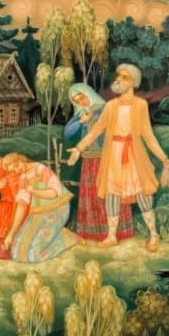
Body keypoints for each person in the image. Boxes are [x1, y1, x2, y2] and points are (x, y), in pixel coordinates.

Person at [64, 64, 169, 248]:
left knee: (142, 194)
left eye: (124, 77)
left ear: (133, 82)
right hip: (113, 157)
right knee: (112, 195)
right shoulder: (110, 106)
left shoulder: (140, 105)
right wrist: (78, 148)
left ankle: (154, 235)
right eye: (118, 76)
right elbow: (97, 129)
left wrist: (164, 159)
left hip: (134, 156)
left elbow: (148, 135)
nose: (118, 79)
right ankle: (111, 236)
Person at [63, 82, 131, 242]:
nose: (81, 102)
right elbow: (67, 133)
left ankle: (114, 233)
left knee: (109, 193)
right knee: (92, 194)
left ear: (88, 93)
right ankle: (93, 232)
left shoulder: (105, 108)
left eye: (82, 97)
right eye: (76, 101)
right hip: (89, 159)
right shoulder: (81, 113)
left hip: (107, 157)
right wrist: (81, 121)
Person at [6, 157, 75, 264]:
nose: (17, 170)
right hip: (38, 213)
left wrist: (34, 191)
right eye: (14, 170)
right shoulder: (23, 178)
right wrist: (10, 235)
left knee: (35, 252)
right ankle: (57, 234)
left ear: (21, 158)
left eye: (16, 166)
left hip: (57, 209)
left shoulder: (40, 169)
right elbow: (22, 205)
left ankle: (67, 238)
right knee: (16, 251)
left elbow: (54, 193)